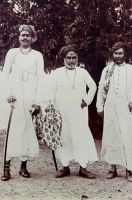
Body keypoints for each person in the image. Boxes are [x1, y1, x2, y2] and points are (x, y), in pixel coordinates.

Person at [96, 42, 132, 182]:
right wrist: (99, 107)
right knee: (111, 136)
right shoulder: (107, 70)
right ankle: (112, 167)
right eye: (115, 53)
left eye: (120, 53)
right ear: (112, 54)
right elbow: (101, 89)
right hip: (110, 107)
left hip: (124, 107)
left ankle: (129, 169)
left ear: (125, 54)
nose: (118, 56)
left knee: (126, 137)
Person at [1, 24, 44, 181]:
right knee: (12, 131)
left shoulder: (37, 55)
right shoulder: (12, 53)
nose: (25, 37)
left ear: (33, 38)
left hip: (30, 98)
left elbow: (41, 79)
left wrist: (37, 102)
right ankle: (6, 167)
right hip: (15, 98)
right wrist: (8, 93)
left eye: (28, 35)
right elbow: (5, 74)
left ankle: (23, 166)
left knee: (27, 131)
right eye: (22, 35)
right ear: (19, 37)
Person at [51, 44, 98, 179]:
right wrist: (51, 106)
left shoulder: (82, 72)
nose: (71, 60)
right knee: (64, 137)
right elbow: (51, 90)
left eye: (74, 57)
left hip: (79, 110)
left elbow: (93, 86)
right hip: (62, 111)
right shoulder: (57, 73)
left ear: (77, 58)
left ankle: (83, 168)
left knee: (81, 137)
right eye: (68, 58)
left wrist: (87, 100)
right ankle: (65, 166)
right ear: (63, 58)